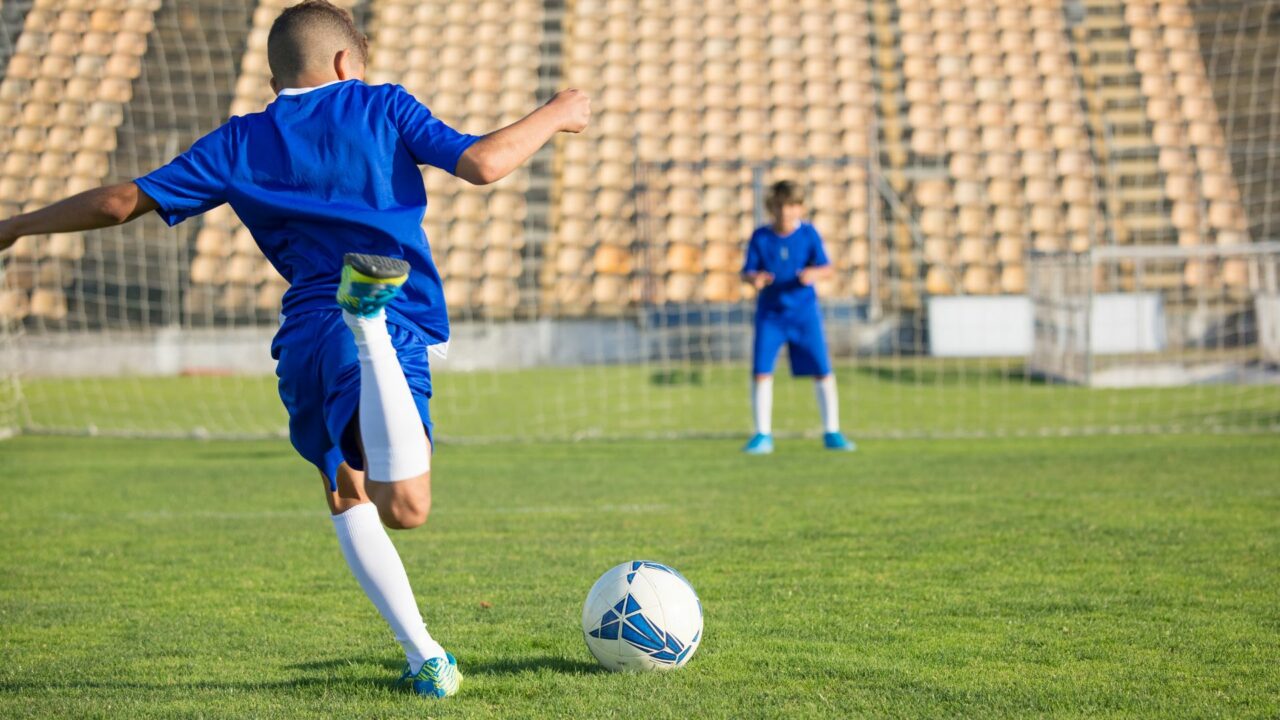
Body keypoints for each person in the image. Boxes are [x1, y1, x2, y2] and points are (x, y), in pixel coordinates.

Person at [0, 0, 590, 699]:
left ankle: (426, 656)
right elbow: (485, 163)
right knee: (406, 507)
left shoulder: (241, 138)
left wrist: (16, 226)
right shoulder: (381, 105)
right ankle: (367, 323)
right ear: (346, 63)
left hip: (304, 336)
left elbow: (122, 200)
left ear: (279, 74)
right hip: (379, 314)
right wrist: (557, 110)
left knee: (346, 493)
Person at [740, 180, 856, 455]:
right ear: (772, 208)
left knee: (822, 370)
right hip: (771, 316)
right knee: (761, 372)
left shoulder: (808, 234)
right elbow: (746, 272)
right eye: (780, 206)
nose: (785, 212)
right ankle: (762, 434)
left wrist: (813, 274)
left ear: (800, 208)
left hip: (805, 314)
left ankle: (832, 431)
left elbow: (827, 267)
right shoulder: (761, 237)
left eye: (791, 206)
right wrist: (754, 279)